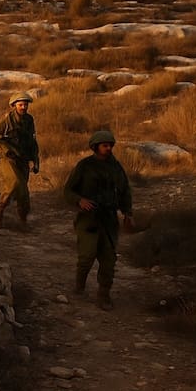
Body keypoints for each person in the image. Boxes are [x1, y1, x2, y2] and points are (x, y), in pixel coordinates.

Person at [63, 131, 134, 311]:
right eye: (104, 145)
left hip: (109, 220)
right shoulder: (85, 166)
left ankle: (104, 295)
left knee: (109, 260)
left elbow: (125, 191)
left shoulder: (116, 167)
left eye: (110, 145)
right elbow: (68, 190)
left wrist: (128, 213)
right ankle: (80, 285)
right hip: (88, 219)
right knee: (86, 257)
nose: (108, 148)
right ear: (95, 147)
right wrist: (79, 200)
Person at [0, 91, 39, 230]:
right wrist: (5, 150)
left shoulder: (29, 120)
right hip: (7, 158)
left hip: (22, 158)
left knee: (23, 190)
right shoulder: (7, 121)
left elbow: (33, 141)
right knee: (14, 183)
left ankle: (22, 219)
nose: (23, 107)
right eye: (20, 105)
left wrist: (36, 160)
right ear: (14, 106)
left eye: (25, 104)